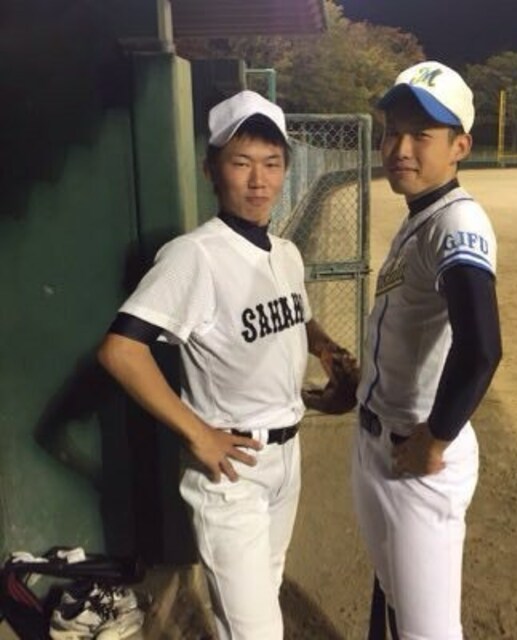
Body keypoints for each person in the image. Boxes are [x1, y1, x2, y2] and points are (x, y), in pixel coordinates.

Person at [98, 90, 351, 640]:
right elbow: (121, 351)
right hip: (232, 471)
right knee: (257, 631)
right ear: (211, 170)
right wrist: (198, 433)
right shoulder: (195, 255)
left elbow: (297, 316)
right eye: (241, 163)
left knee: (254, 606)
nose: (259, 180)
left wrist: (325, 350)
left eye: (272, 163)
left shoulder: (285, 253)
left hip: (287, 458)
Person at [352, 61, 502, 639]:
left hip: (415, 459)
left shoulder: (457, 221)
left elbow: (482, 347)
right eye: (393, 132)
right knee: (394, 600)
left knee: (428, 632)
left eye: (422, 135)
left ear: (460, 146)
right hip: (382, 444)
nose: (400, 148)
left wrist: (436, 437)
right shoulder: (424, 213)